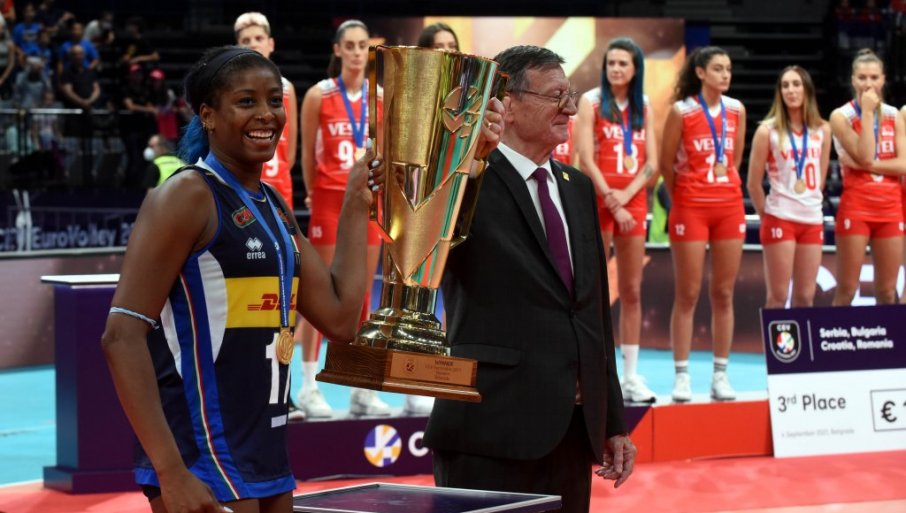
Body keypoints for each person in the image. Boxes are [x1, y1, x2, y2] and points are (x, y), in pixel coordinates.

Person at [100, 45, 380, 513]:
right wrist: (170, 471)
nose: (266, 114)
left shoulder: (273, 205)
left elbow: (339, 319)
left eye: (274, 100)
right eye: (246, 101)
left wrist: (354, 201)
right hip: (202, 455)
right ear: (208, 115)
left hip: (265, 451)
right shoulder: (186, 195)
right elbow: (120, 337)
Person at [424, 45, 635, 513]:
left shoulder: (577, 188)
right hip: (489, 430)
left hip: (572, 433)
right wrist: (468, 162)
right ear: (509, 104)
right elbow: (425, 249)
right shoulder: (463, 178)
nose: (571, 108)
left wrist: (613, 421)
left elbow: (594, 315)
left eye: (571, 95)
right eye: (556, 96)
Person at [299, 19, 395, 418]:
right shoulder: (318, 95)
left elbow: (385, 153)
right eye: (350, 45)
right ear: (337, 50)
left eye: (362, 46)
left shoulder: (381, 96)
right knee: (318, 293)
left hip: (368, 201)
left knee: (362, 295)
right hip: (328, 200)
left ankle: (361, 386)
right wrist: (315, 192)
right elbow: (307, 154)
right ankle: (308, 385)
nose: (357, 52)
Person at [659, 46, 747, 402]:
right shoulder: (681, 111)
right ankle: (682, 375)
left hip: (729, 207)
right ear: (700, 73)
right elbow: (666, 164)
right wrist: (686, 195)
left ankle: (720, 375)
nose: (725, 75)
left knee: (723, 293)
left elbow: (735, 159)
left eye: (728, 69)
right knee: (688, 292)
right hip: (690, 208)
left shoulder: (737, 109)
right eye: (718, 69)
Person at [574, 37, 658, 404]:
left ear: (635, 68)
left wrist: (626, 197)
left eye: (623, 63)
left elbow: (652, 162)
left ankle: (631, 375)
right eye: (611, 63)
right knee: (594, 290)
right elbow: (585, 157)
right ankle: (594, 371)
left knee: (632, 289)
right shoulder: (591, 101)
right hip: (598, 198)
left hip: (632, 202)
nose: (616, 69)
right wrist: (611, 197)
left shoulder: (644, 105)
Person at [746, 66, 831, 308]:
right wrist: (767, 216)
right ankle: (774, 338)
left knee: (805, 297)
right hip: (780, 218)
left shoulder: (823, 129)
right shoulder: (767, 131)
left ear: (807, 90)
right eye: (785, 85)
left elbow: (821, 180)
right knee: (778, 296)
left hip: (812, 219)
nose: (791, 90)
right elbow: (753, 183)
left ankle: (801, 338)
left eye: (796, 84)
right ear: (779, 92)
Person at [830, 49, 906, 306]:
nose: (868, 84)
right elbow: (864, 154)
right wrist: (868, 113)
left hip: (891, 208)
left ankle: (890, 336)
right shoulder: (841, 116)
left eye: (874, 77)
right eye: (862, 77)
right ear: (853, 80)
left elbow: (903, 164)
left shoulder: (895, 115)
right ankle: (836, 334)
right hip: (857, 207)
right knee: (847, 290)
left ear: (883, 79)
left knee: (887, 291)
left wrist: (871, 165)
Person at [234, 11, 298, 209]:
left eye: (259, 38)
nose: (253, 44)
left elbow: (290, 154)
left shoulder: (287, 88)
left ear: (271, 44)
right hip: (240, 186)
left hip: (279, 187)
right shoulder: (229, 89)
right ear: (237, 48)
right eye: (246, 40)